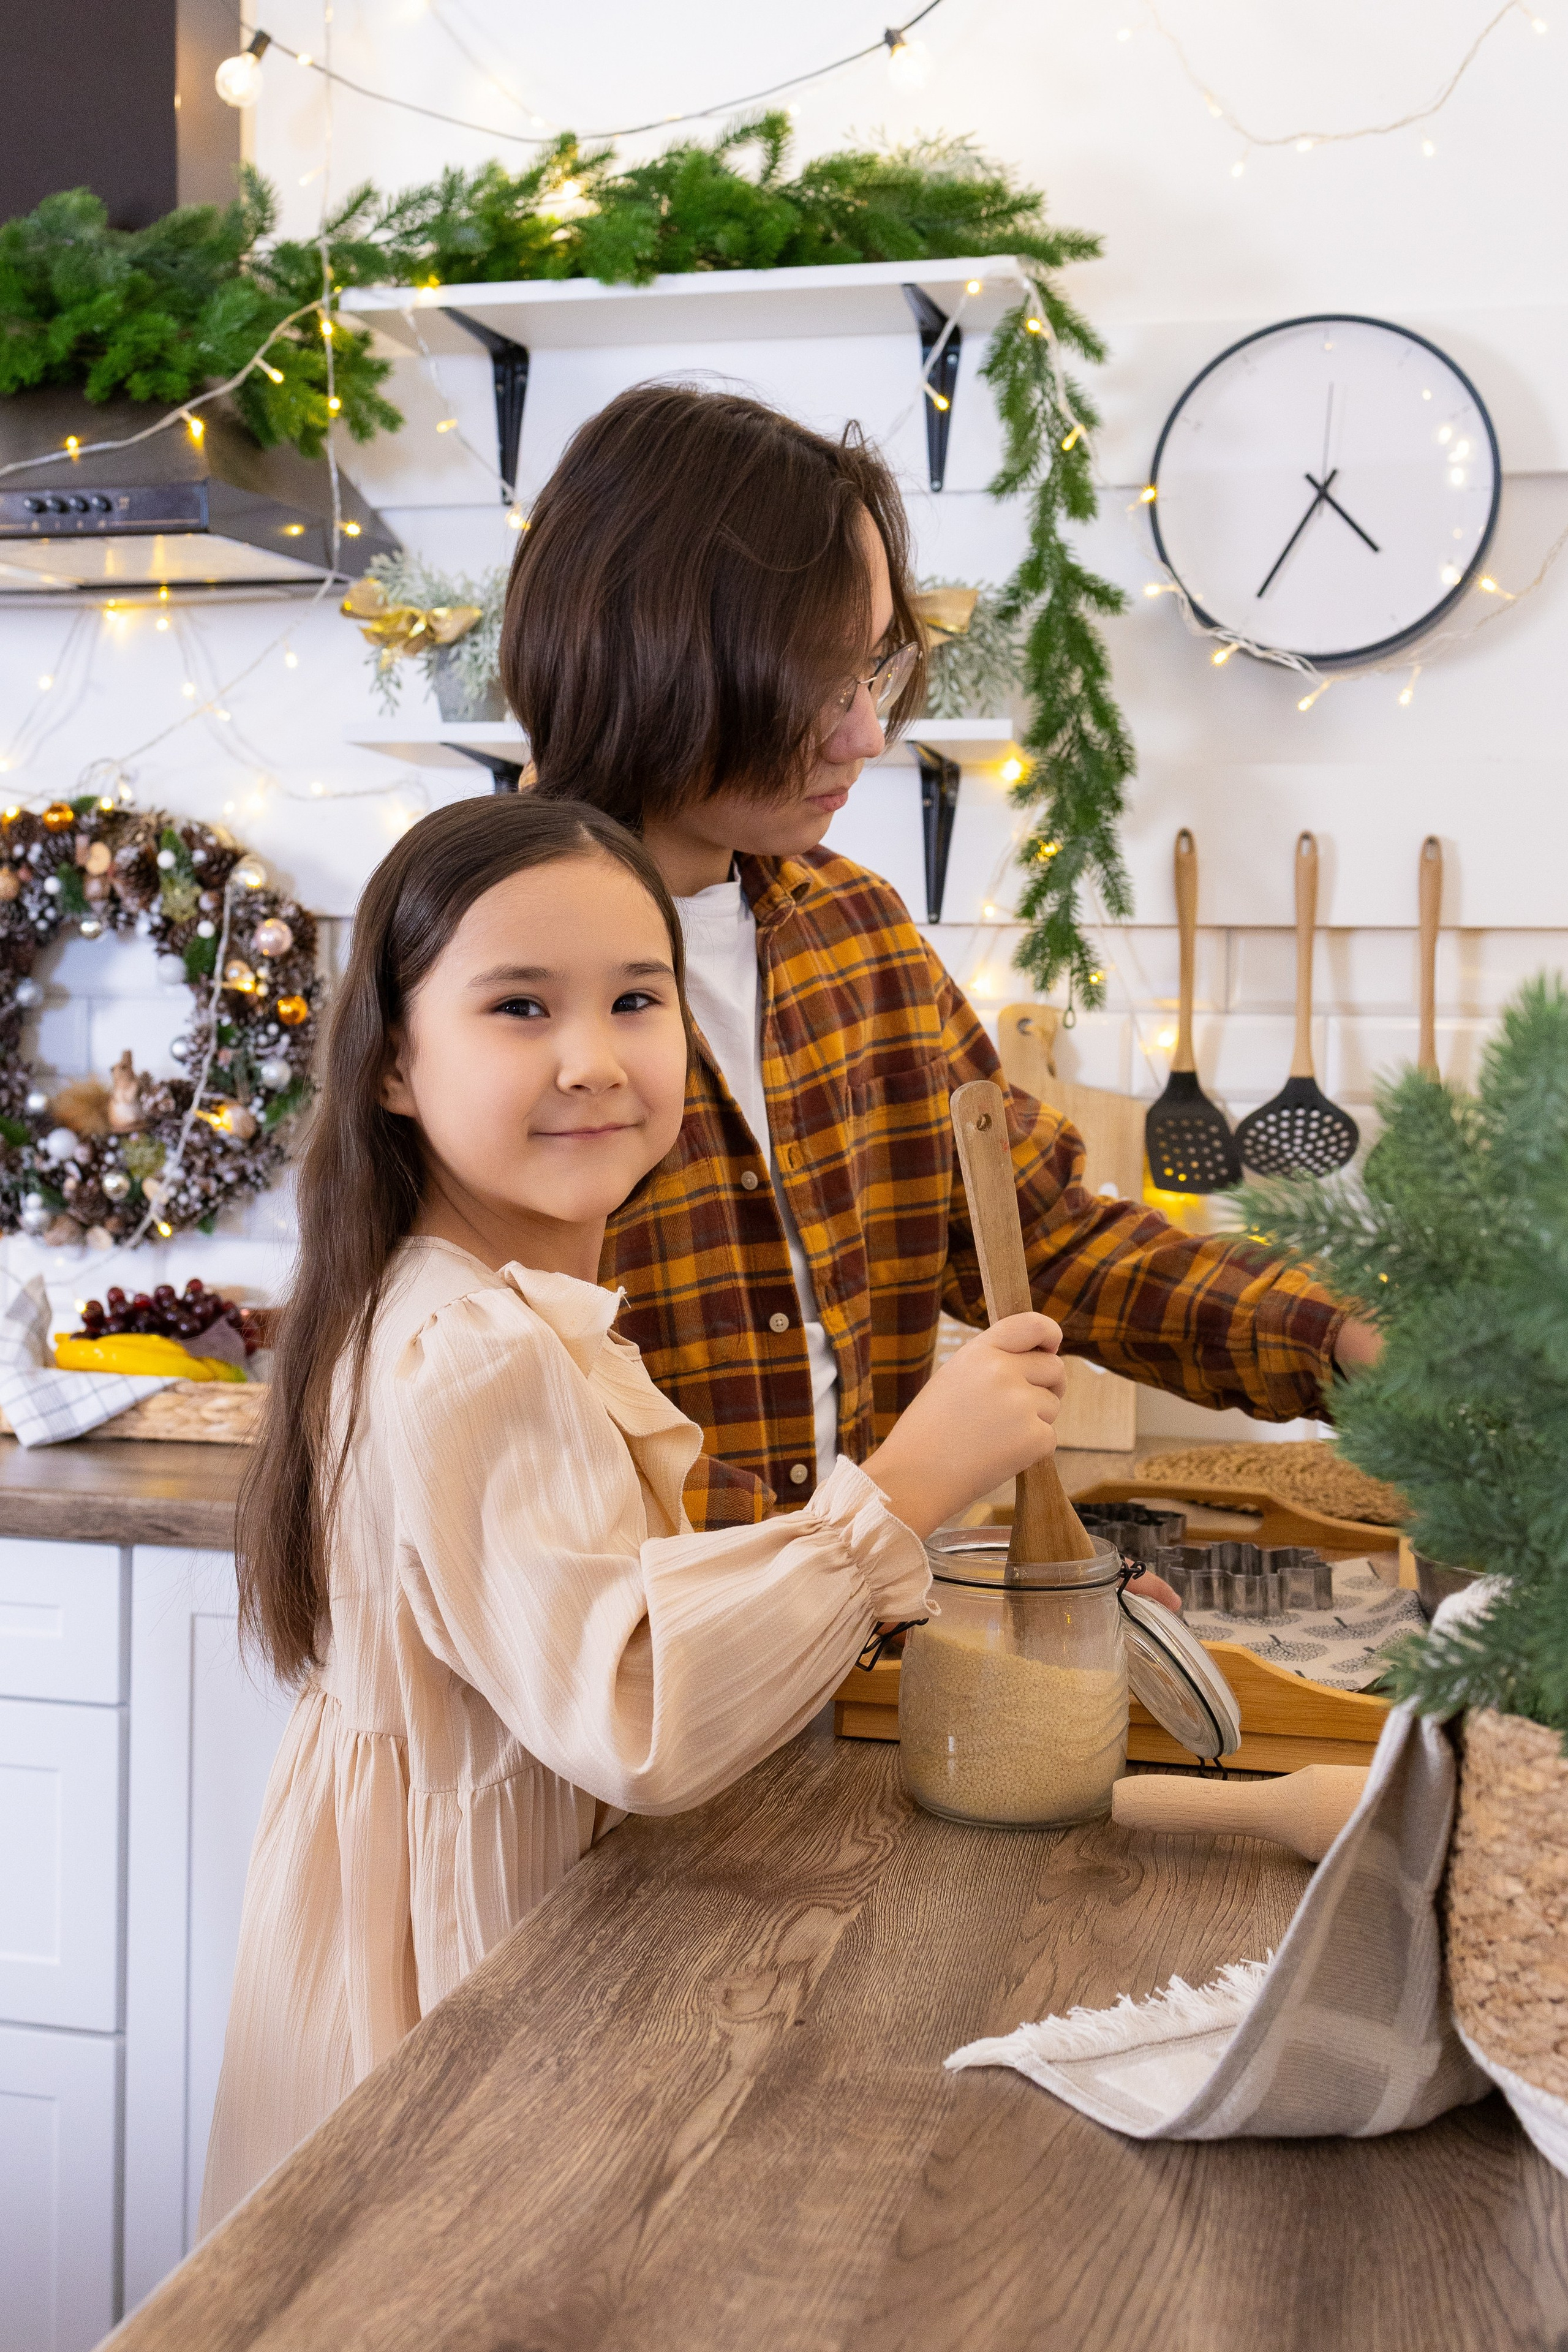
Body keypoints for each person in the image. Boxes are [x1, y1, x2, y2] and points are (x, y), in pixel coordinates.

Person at [200, 795, 1079, 2228]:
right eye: (518, 1007)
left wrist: (938, 1552)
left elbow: (619, 1585)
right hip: (467, 1974)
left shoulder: (504, 1312)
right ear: (395, 1069)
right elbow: (634, 1701)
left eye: (634, 998)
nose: (593, 1059)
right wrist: (910, 1484)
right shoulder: (472, 1348)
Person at [502, 384, 1379, 1527]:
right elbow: (520, 1423)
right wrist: (876, 1536)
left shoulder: (853, 935)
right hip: (624, 1677)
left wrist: (1348, 1343)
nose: (866, 732)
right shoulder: (485, 969)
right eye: (818, 681)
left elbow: (1043, 1237)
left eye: (871, 671)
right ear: (662, 652)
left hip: (849, 1642)